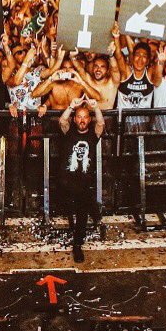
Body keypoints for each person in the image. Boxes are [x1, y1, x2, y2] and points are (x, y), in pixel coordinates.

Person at [57, 95, 105, 263]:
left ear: (88, 119)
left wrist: (96, 107)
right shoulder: (69, 132)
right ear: (75, 119)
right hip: (66, 181)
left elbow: (101, 124)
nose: (82, 120)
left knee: (82, 207)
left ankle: (77, 245)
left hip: (84, 183)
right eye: (79, 117)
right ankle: (92, 207)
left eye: (85, 117)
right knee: (83, 202)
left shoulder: (93, 135)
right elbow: (62, 121)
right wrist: (71, 106)